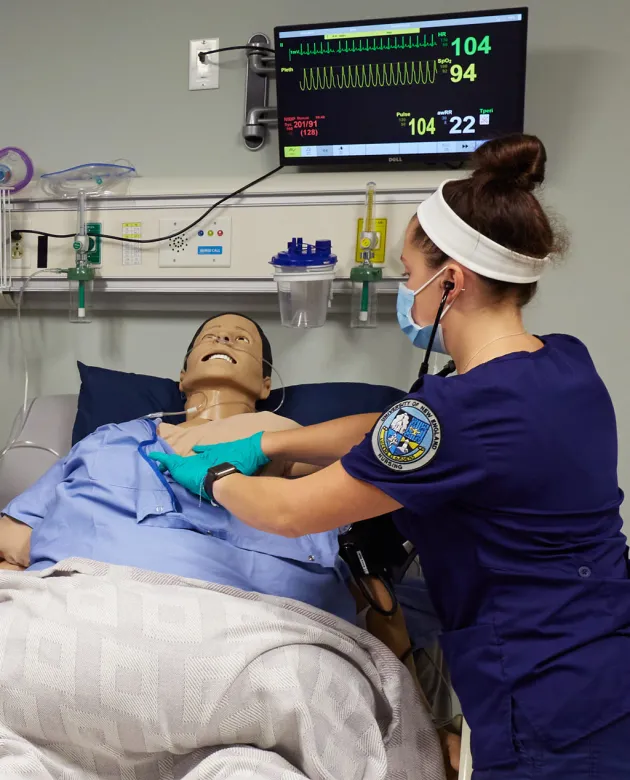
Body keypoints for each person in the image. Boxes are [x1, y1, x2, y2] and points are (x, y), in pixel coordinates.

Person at [157, 135, 630, 778]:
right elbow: (395, 428)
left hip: (545, 692)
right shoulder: (566, 361)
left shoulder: (458, 417)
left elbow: (293, 513)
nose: (405, 292)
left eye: (409, 276)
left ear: (451, 282)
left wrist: (212, 474)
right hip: (603, 651)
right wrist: (274, 439)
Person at [0, 313, 356, 622]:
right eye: (210, 337)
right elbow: (11, 539)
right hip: (71, 607)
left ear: (266, 384)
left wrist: (268, 439)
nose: (224, 338)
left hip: (250, 623)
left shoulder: (295, 450)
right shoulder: (109, 440)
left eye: (241, 339)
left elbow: (391, 452)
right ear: (182, 376)